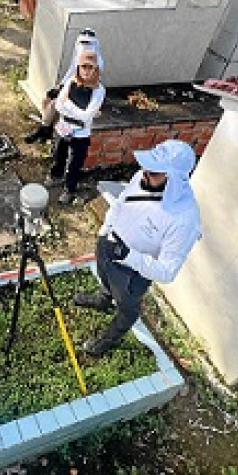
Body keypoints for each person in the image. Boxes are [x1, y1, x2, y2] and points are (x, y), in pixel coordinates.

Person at [76, 140, 202, 356]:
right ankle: (104, 299)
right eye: (146, 166)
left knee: (127, 308)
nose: (144, 173)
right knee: (104, 276)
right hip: (109, 244)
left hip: (131, 273)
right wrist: (105, 230)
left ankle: (109, 339)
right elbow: (120, 204)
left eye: (153, 171)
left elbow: (167, 271)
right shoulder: (141, 178)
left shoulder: (184, 219)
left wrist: (128, 256)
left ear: (174, 179)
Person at [44, 48, 106, 205]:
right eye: (83, 66)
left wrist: (68, 104)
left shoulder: (99, 90)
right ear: (78, 67)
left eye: (90, 67)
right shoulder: (71, 82)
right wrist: (73, 108)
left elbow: (86, 115)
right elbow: (58, 105)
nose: (86, 71)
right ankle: (56, 176)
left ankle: (69, 189)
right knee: (58, 154)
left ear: (96, 69)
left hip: (80, 133)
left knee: (74, 163)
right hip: (63, 127)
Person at [24, 28, 105, 144]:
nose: (84, 46)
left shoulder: (96, 62)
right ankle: (45, 129)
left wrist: (66, 93)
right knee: (48, 99)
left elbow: (89, 83)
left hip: (85, 93)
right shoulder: (79, 56)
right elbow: (72, 73)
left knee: (54, 105)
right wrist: (60, 86)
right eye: (83, 42)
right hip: (73, 85)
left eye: (88, 43)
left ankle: (45, 130)